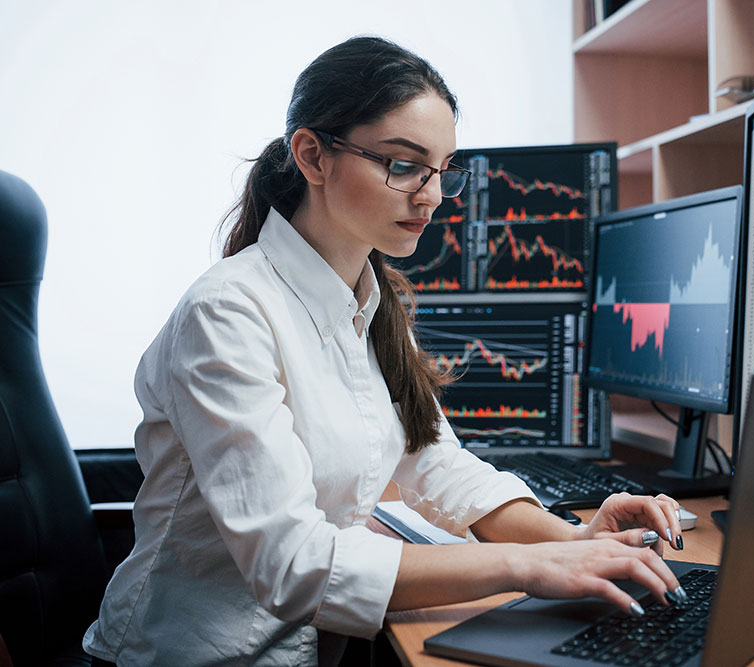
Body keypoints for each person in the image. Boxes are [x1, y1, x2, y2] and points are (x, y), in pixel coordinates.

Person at [83, 36, 688, 666]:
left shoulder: (371, 302)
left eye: (443, 171)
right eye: (403, 165)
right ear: (312, 156)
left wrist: (573, 539)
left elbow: (438, 466)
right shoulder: (228, 313)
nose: (429, 195)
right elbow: (291, 565)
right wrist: (529, 565)